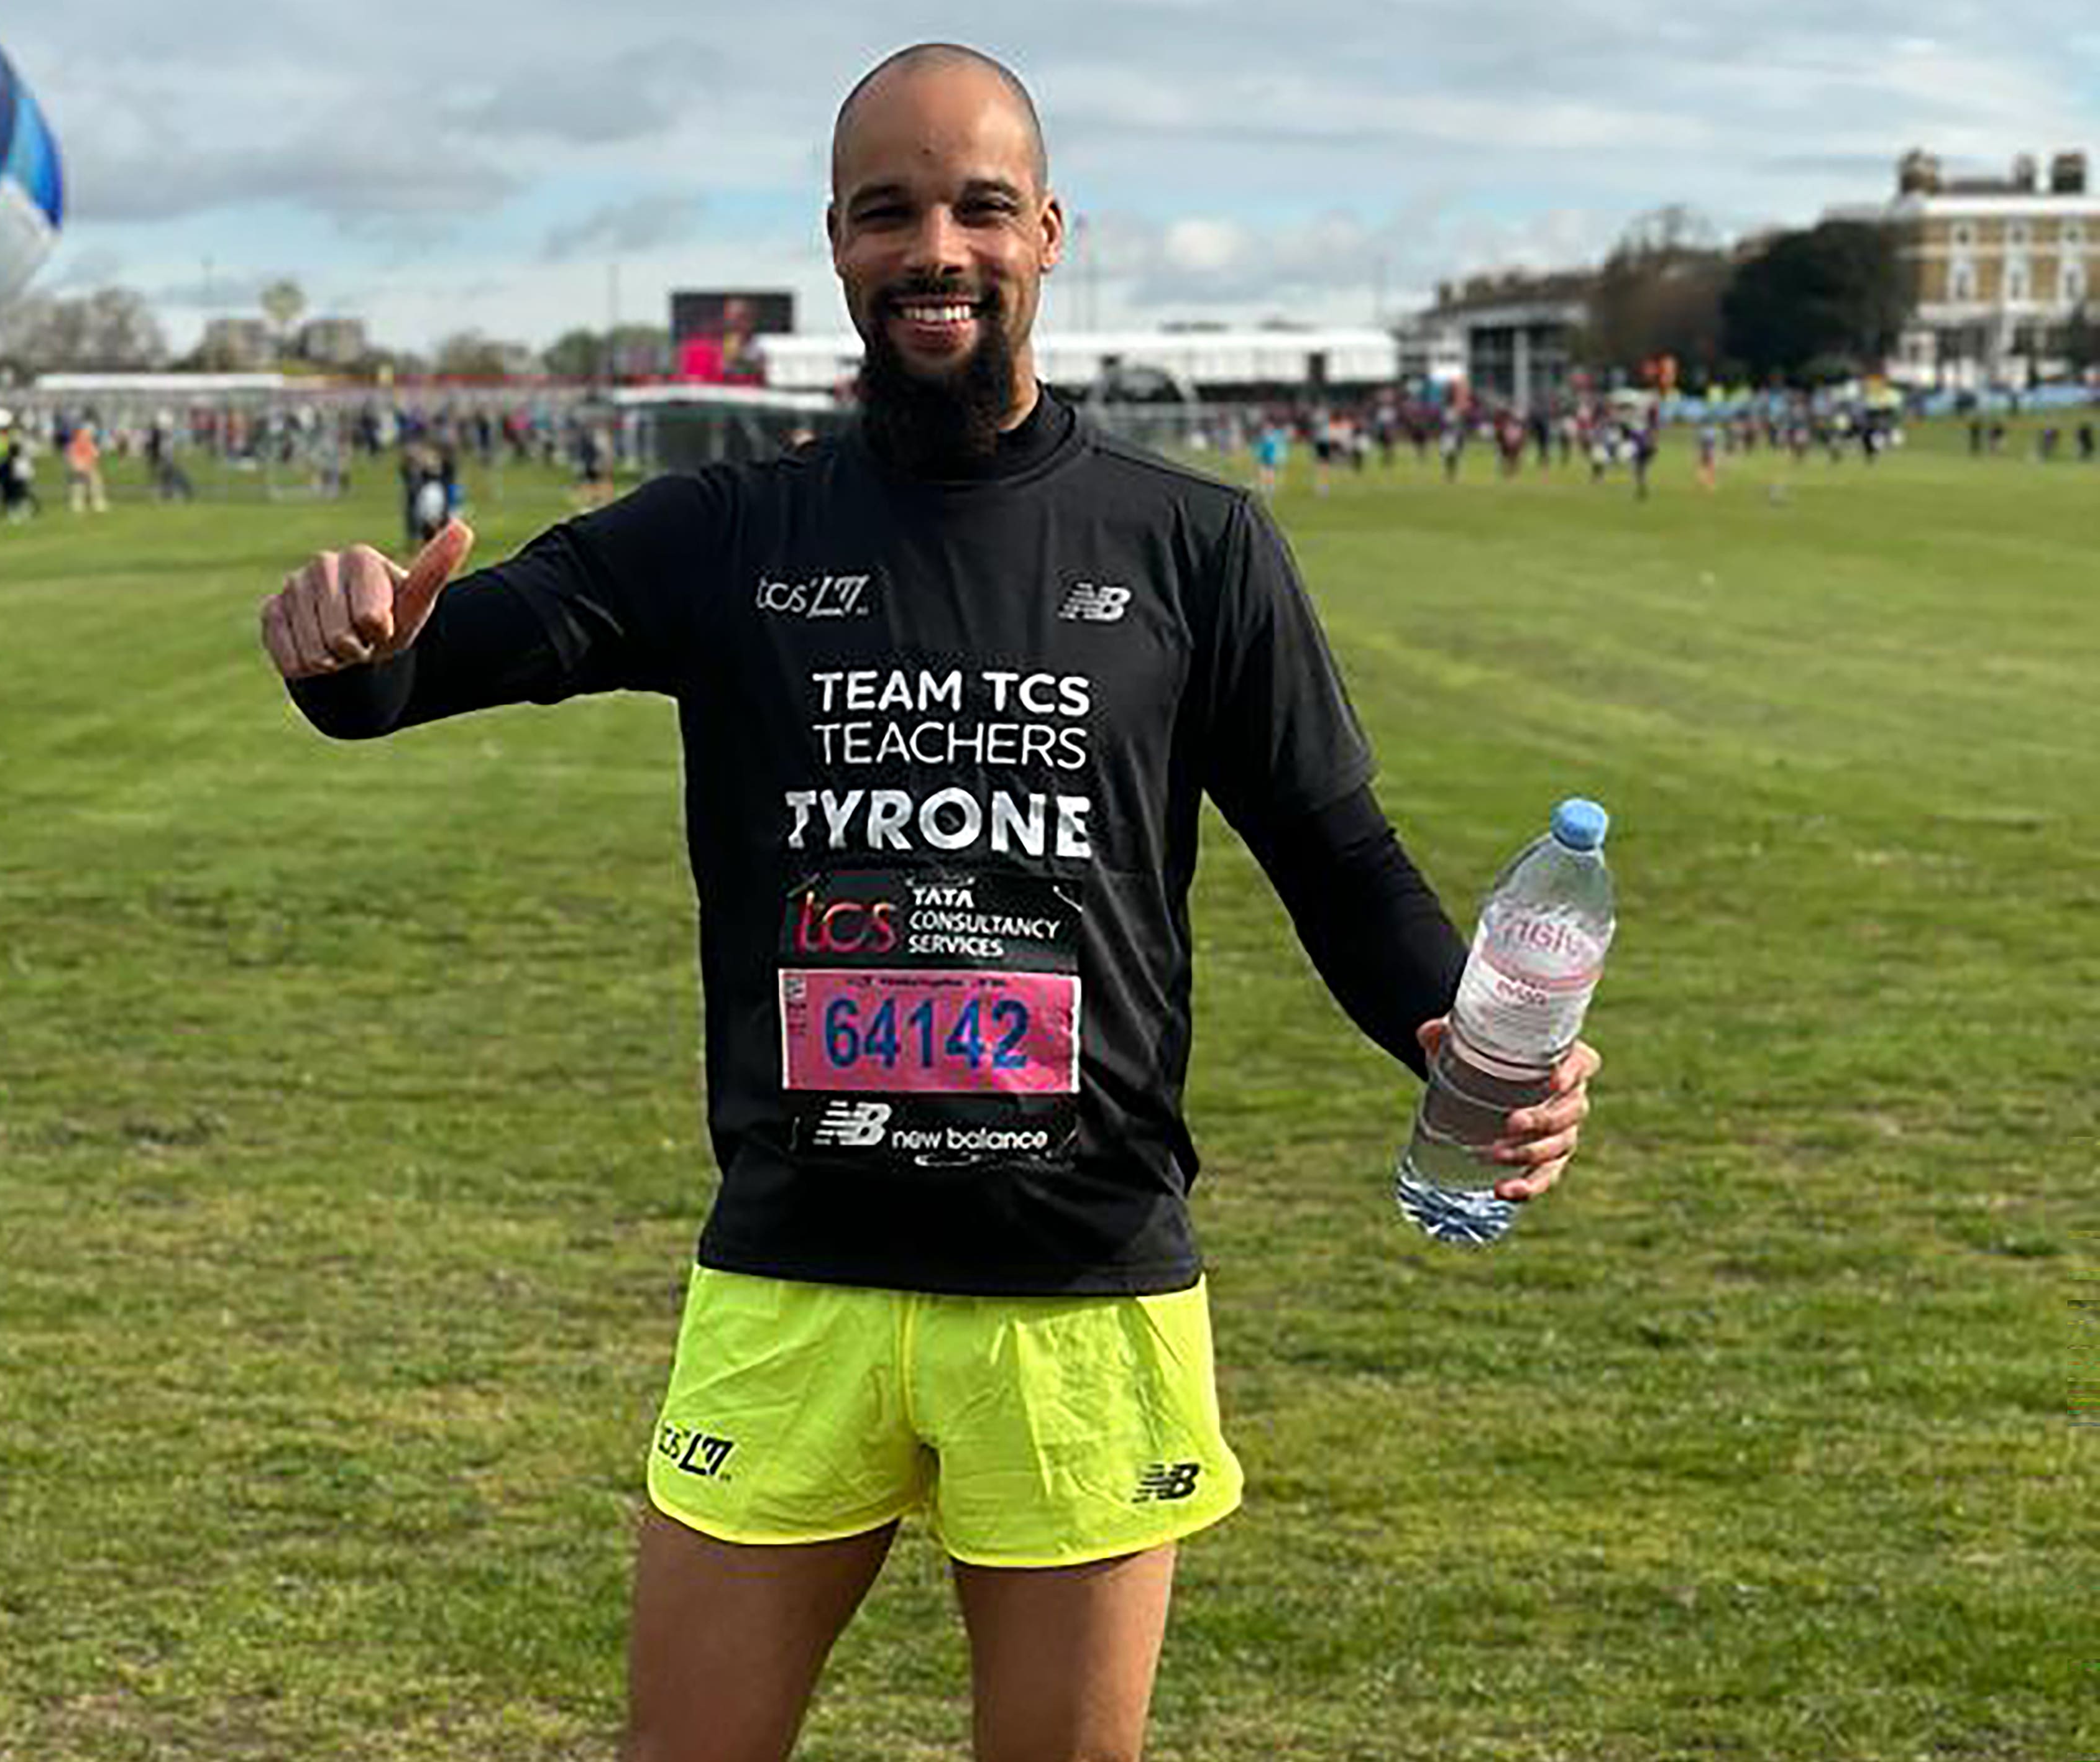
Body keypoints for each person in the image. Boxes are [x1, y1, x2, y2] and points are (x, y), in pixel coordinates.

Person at [258, 44, 1600, 1762]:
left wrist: (1448, 1023)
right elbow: (414, 669)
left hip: (1079, 1287)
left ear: (1047, 231)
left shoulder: (1193, 545)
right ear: (836, 244)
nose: (934, 246)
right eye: (889, 211)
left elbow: (1333, 853)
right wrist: (347, 650)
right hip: (792, 1278)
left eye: (976, 205)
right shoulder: (721, 532)